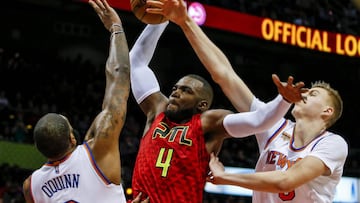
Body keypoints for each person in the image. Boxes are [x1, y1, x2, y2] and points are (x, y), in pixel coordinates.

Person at [145, 0, 349, 202]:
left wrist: (226, 177)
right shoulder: (274, 126)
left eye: (312, 94)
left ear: (327, 112)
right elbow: (225, 76)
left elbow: (286, 181)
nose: (304, 94)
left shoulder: (333, 144)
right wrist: (186, 22)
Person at [128, 19, 306, 202]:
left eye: (185, 91)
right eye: (175, 88)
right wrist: (160, 20)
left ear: (202, 105)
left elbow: (259, 121)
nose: (175, 93)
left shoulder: (209, 123)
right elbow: (136, 64)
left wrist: (284, 100)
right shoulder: (158, 110)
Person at [22, 0, 147, 202]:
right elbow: (120, 76)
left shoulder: (31, 187)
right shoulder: (98, 151)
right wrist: (116, 27)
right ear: (72, 138)